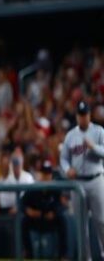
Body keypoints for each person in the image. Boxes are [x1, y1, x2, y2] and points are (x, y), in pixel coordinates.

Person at [60, 100, 104, 260]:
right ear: (77, 116)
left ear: (89, 115)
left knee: (102, 221)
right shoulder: (70, 136)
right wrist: (67, 169)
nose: (82, 118)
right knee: (81, 226)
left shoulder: (98, 131)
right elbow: (63, 159)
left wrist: (94, 147)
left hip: (96, 180)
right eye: (80, 115)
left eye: (85, 114)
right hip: (78, 183)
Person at [21, 160, 67, 260]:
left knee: (62, 220)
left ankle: (62, 256)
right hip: (36, 219)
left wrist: (54, 213)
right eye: (44, 173)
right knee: (24, 221)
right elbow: (22, 203)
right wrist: (28, 211)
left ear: (51, 175)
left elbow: (62, 205)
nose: (46, 176)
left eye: (48, 173)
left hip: (50, 220)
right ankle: (28, 254)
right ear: (40, 174)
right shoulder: (34, 188)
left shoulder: (55, 188)